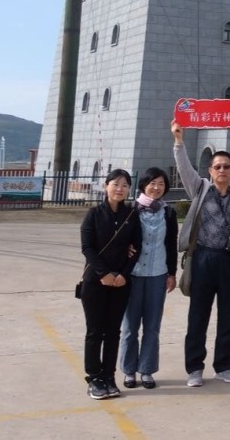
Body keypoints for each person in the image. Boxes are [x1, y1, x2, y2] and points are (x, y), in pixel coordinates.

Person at [172, 120, 230, 388]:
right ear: (210, 170)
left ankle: (224, 366)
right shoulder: (200, 188)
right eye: (217, 167)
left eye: (226, 166)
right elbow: (184, 168)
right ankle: (194, 368)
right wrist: (179, 142)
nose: (222, 170)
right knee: (198, 315)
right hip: (203, 258)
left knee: (229, 315)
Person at [80, 168, 142, 400]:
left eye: (124, 185)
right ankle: (94, 378)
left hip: (121, 282)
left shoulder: (131, 215)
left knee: (114, 332)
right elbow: (87, 247)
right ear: (106, 186)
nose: (120, 189)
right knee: (95, 331)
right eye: (115, 184)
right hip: (95, 282)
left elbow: (137, 247)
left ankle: (109, 376)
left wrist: (124, 274)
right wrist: (104, 273)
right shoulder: (94, 214)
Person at [119, 167, 178, 390]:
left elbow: (171, 244)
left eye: (161, 184)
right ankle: (129, 370)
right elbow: (120, 239)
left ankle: (146, 370)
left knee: (152, 327)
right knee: (130, 326)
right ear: (144, 185)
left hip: (157, 275)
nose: (156, 187)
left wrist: (171, 273)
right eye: (152, 183)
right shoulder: (131, 210)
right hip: (133, 275)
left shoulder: (168, 213)